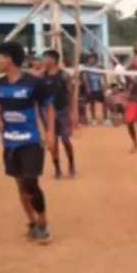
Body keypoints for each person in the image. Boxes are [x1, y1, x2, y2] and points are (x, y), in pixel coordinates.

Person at [0, 41, 55, 244]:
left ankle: (43, 222)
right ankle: (32, 222)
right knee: (20, 185)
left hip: (31, 140)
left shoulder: (34, 83)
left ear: (9, 59)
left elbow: (48, 107)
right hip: (10, 143)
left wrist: (50, 132)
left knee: (30, 182)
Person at [42, 49, 76, 180]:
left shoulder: (64, 76)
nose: (43, 61)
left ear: (53, 60)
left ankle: (71, 165)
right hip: (48, 113)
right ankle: (57, 169)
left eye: (45, 58)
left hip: (63, 111)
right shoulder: (42, 76)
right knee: (53, 142)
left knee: (66, 140)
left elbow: (70, 94)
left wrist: (73, 111)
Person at [83, 54, 107, 125]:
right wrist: (87, 87)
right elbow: (85, 78)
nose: (90, 60)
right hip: (91, 88)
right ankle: (93, 119)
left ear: (96, 60)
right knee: (92, 104)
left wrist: (105, 85)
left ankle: (105, 118)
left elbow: (104, 75)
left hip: (99, 88)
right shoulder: (86, 67)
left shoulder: (100, 67)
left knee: (104, 103)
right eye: (90, 59)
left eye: (92, 59)